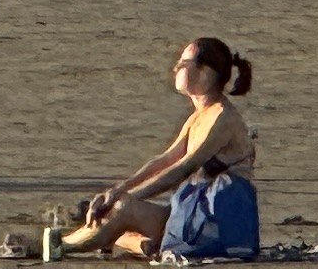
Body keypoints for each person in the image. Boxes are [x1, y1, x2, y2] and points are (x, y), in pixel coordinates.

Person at [57, 39, 253, 256]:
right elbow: (167, 159)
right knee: (119, 216)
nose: (176, 67)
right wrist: (118, 190)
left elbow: (182, 168)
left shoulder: (221, 118)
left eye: (184, 62)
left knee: (123, 210)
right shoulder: (200, 115)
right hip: (190, 214)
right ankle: (146, 245)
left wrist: (128, 198)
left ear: (205, 72)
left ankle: (61, 245)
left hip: (211, 224)